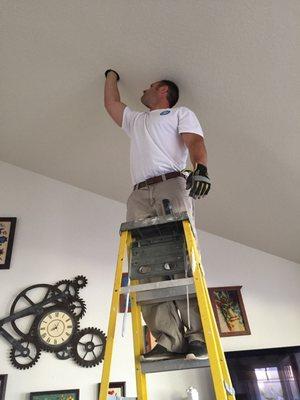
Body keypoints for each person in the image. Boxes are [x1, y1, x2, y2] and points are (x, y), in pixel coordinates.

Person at [104, 69, 211, 361]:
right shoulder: (137, 120)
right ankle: (168, 340)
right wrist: (110, 75)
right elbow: (112, 105)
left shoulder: (180, 114)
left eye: (150, 86)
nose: (144, 89)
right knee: (145, 268)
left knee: (182, 258)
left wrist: (200, 168)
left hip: (172, 184)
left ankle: (198, 337)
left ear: (163, 90)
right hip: (139, 193)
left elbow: (194, 142)